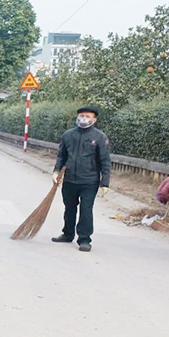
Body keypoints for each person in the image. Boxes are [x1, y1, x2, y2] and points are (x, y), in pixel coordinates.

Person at [52, 105, 112, 252]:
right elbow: (61, 156)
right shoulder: (68, 135)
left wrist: (105, 182)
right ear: (77, 117)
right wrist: (56, 171)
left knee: (86, 210)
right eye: (82, 115)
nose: (84, 118)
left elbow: (105, 161)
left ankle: (84, 239)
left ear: (94, 120)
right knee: (69, 208)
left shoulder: (99, 137)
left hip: (89, 181)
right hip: (70, 179)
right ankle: (67, 234)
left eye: (88, 116)